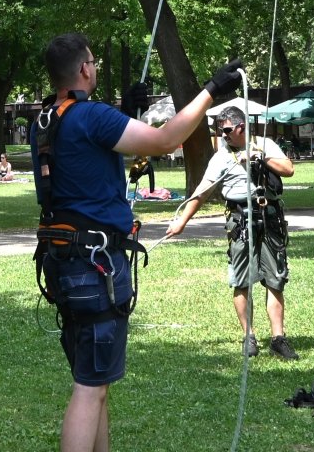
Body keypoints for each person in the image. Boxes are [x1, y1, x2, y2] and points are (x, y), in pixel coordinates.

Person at [32, 33, 243, 452]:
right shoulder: (91, 116)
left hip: (66, 260)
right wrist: (212, 90)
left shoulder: (49, 118)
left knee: (97, 382)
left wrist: (126, 112)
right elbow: (166, 140)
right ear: (85, 69)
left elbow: (86, 161)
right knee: (89, 387)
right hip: (93, 265)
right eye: (93, 62)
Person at [161, 105, 299, 360]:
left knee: (275, 278)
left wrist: (258, 157)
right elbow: (201, 192)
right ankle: (250, 337)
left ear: (241, 127)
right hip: (239, 221)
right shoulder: (221, 157)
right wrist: (182, 221)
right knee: (241, 280)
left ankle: (279, 339)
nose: (222, 135)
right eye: (218, 130)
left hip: (269, 218)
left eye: (225, 130)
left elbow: (289, 169)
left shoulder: (264, 144)